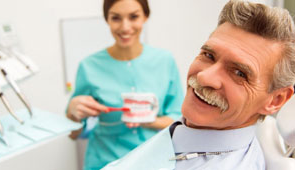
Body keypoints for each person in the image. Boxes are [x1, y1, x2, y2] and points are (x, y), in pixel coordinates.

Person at [101, 0, 295, 169]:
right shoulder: (190, 134)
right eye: (209, 55)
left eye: (239, 73)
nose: (204, 78)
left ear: (276, 100)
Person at [66, 0, 184, 169]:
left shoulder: (165, 61)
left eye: (134, 17)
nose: (125, 27)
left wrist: (148, 121)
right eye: (116, 18)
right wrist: (73, 114)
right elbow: (73, 134)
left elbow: (179, 120)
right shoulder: (89, 66)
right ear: (107, 19)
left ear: (145, 16)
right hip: (104, 162)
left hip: (153, 161)